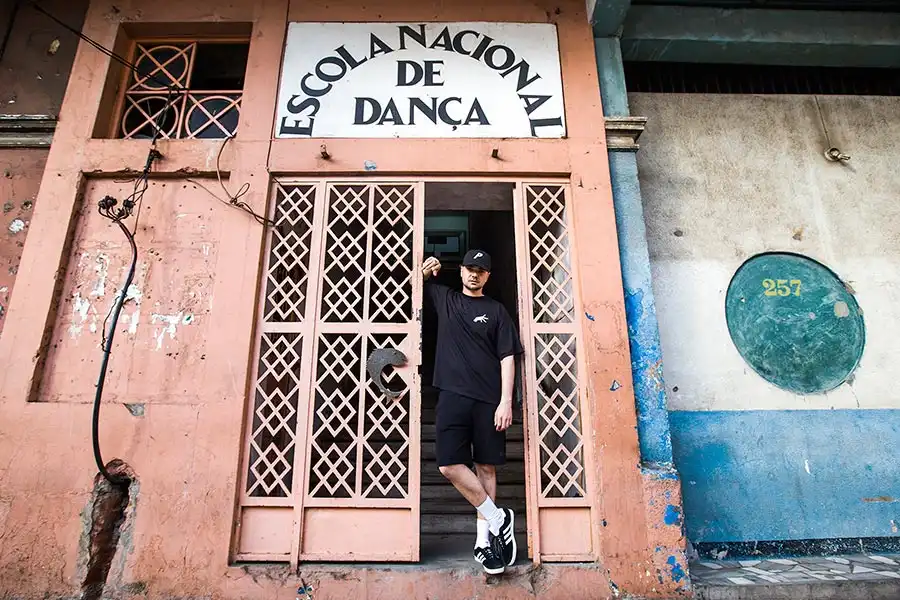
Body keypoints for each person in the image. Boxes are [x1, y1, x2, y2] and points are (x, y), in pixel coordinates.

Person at [422, 249, 524, 575]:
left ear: (488, 276)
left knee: (486, 468)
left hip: (488, 401)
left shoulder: (496, 311)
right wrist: (426, 268)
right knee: (449, 465)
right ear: (461, 270)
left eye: (481, 270)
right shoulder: (446, 299)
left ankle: (484, 543)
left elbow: (508, 356)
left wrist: (506, 400)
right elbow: (409, 285)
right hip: (452, 396)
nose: (474, 274)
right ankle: (497, 517)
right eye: (469, 268)